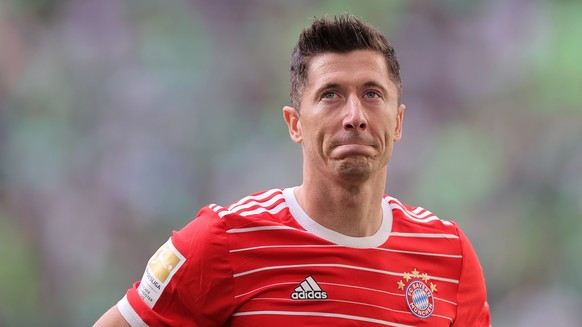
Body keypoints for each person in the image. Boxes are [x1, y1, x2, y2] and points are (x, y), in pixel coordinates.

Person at [95, 14, 490, 326]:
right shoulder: (224, 241)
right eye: (330, 95)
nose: (354, 116)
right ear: (295, 123)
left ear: (399, 121)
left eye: (372, 94)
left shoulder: (449, 257)